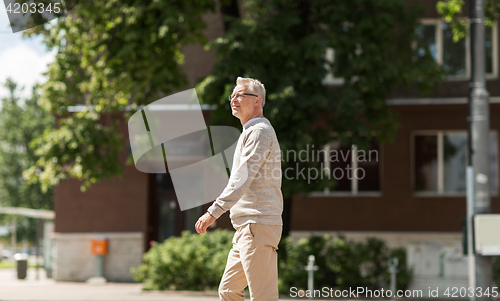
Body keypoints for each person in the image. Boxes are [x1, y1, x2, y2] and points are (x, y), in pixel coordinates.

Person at [195, 77, 283, 301]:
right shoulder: (249, 132)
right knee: (228, 291)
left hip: (258, 224)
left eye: (240, 94)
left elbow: (242, 178)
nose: (234, 99)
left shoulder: (260, 131)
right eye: (232, 95)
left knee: (264, 297)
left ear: (257, 102)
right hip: (246, 227)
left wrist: (213, 212)